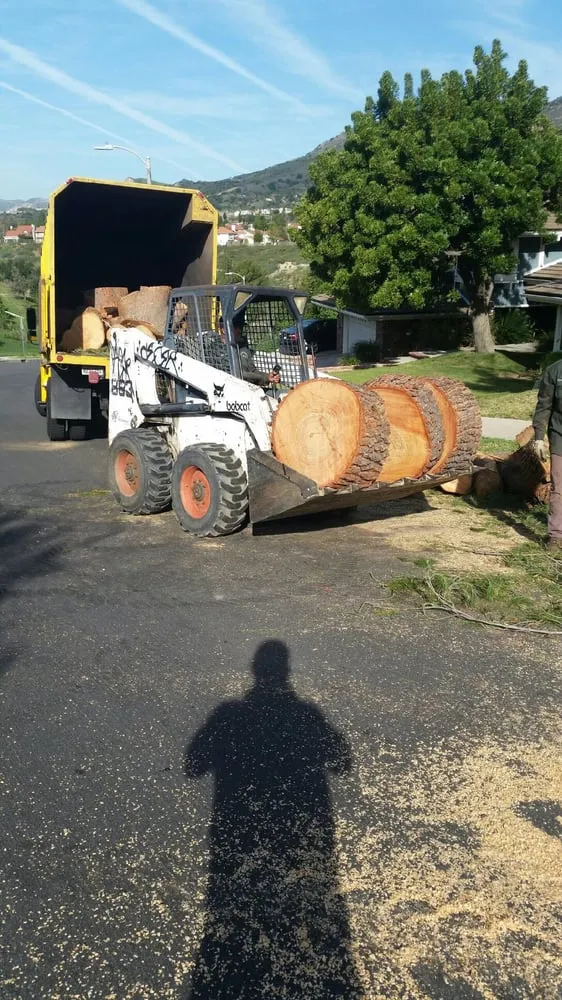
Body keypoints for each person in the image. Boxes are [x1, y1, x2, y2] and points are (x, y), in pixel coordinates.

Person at [532, 356, 562, 552]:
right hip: (560, 435)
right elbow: (544, 406)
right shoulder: (554, 371)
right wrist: (538, 438)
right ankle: (556, 536)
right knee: (559, 486)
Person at [220, 316, 280, 388]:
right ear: (224, 330)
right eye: (236, 327)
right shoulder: (218, 351)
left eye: (240, 327)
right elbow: (241, 375)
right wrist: (265, 378)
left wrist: (268, 376)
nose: (240, 330)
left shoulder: (243, 349)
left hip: (249, 389)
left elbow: (253, 371)